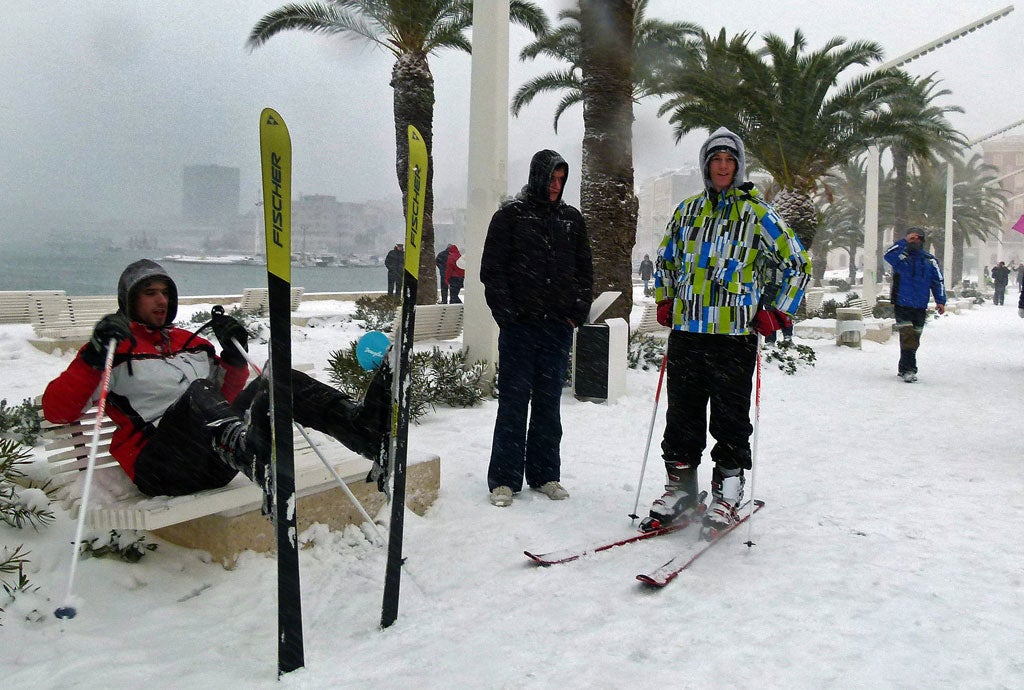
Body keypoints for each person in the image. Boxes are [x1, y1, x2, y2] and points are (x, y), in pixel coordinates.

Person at [42, 259, 391, 509]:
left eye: (165, 292)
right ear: (129, 299)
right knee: (198, 393)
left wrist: (233, 356)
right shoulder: (113, 348)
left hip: (216, 457)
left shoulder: (189, 342)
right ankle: (246, 450)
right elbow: (58, 410)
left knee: (276, 378)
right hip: (161, 466)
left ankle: (362, 430)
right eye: (150, 293)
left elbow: (223, 397)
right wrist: (93, 356)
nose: (161, 300)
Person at [650, 127, 811, 532]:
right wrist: (666, 297)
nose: (722, 167)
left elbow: (797, 263)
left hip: (733, 336)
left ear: (738, 166)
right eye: (715, 160)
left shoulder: (757, 214)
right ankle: (681, 488)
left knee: (729, 418)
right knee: (682, 416)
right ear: (706, 165)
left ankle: (728, 492)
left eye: (729, 160)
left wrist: (777, 311)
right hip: (688, 332)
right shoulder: (687, 211)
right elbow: (667, 259)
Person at [480, 149, 593, 507]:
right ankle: (504, 479)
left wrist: (577, 309)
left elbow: (584, 271)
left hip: (557, 328)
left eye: (562, 179)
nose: (556, 186)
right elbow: (492, 271)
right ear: (538, 176)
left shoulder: (571, 220)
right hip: (519, 329)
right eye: (552, 178)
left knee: (548, 404)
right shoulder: (510, 217)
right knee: (513, 403)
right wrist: (507, 315)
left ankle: (545, 474)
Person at [884, 228, 947, 383]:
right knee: (907, 336)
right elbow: (887, 254)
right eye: (911, 238)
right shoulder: (900, 258)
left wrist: (940, 300)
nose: (914, 241)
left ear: (922, 241)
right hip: (902, 303)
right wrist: (904, 241)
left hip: (920, 305)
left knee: (914, 338)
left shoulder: (930, 260)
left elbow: (937, 281)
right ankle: (909, 369)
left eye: (916, 238)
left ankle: (903, 367)